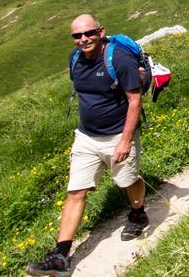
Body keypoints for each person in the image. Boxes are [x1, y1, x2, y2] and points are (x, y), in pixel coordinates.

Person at [26, 14, 148, 277]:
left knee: (127, 181)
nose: (83, 39)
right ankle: (60, 254)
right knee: (76, 191)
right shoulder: (75, 59)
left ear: (100, 31)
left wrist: (126, 140)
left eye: (89, 33)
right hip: (87, 137)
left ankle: (138, 213)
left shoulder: (119, 60)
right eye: (77, 36)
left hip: (118, 135)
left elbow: (134, 101)